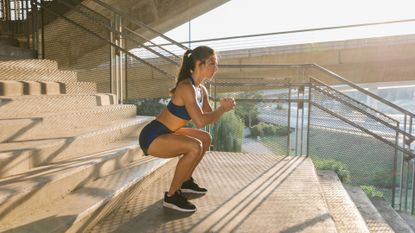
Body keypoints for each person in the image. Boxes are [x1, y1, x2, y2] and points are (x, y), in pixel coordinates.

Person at [138, 46, 235, 212]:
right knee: (194, 145)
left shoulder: (201, 90)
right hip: (152, 136)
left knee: (205, 139)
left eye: (216, 64)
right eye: (212, 63)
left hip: (170, 133)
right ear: (199, 64)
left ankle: (186, 181)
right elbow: (199, 121)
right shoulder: (186, 88)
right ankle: (172, 196)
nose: (215, 68)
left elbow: (207, 116)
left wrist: (221, 107)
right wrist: (221, 110)